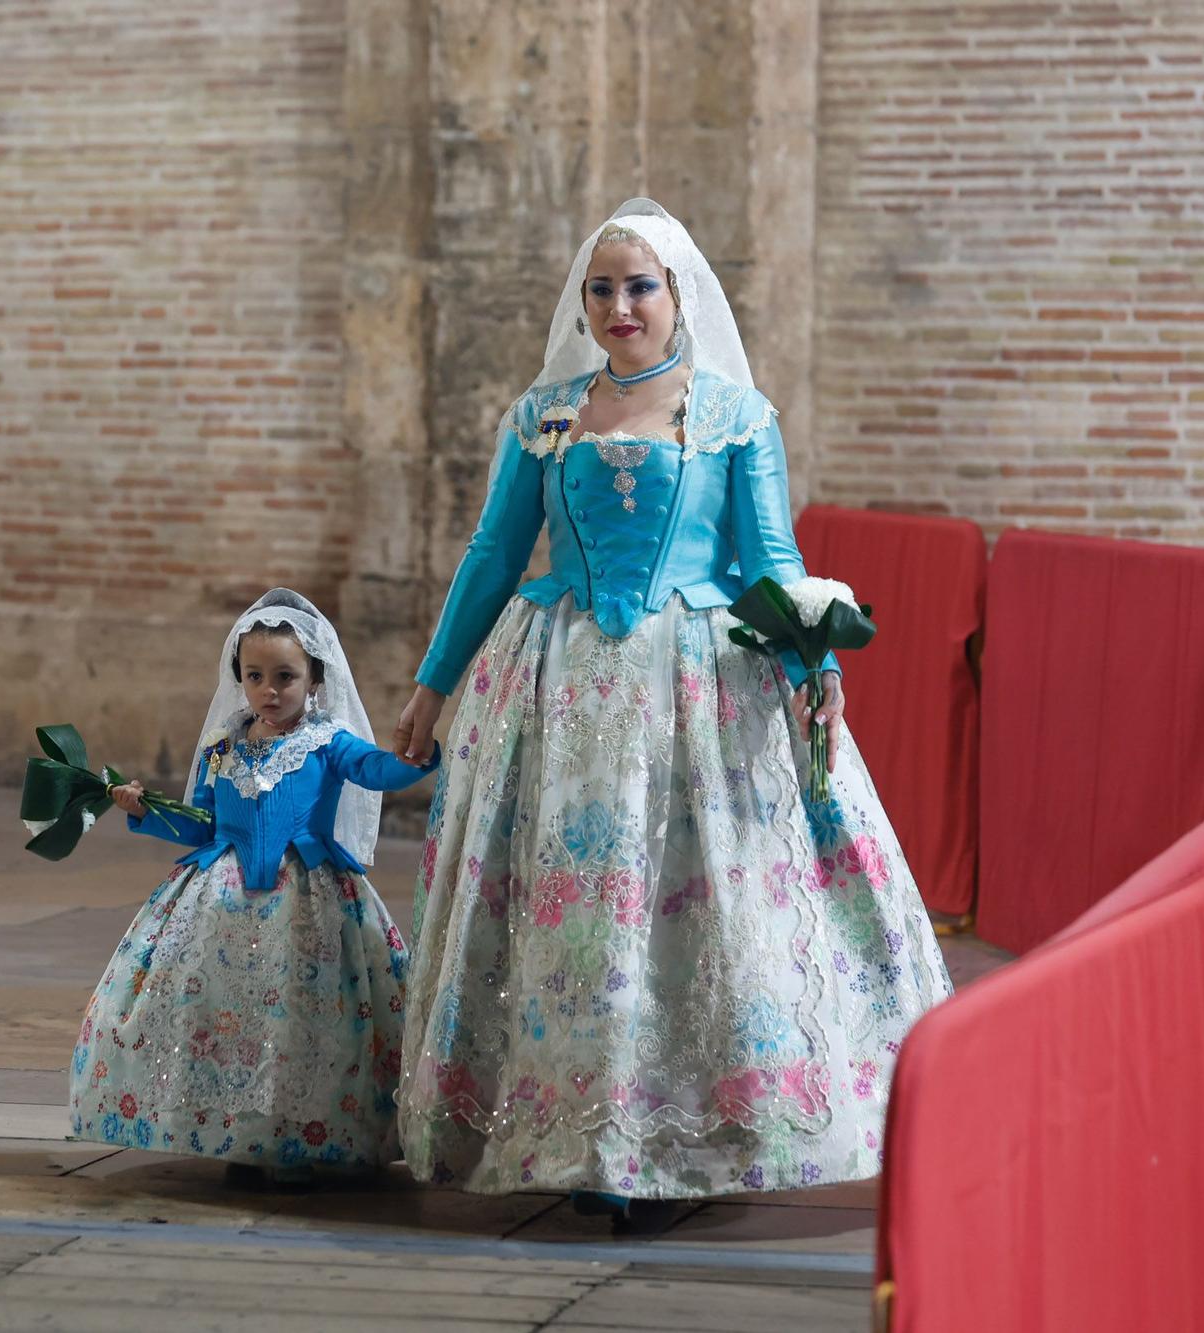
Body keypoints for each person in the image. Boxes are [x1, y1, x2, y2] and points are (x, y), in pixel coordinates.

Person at [390, 199, 953, 1230]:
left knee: (686, 909)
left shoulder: (735, 416)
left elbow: (764, 562)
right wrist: (433, 681)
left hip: (693, 691)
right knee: (571, 914)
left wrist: (807, 649)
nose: (618, 306)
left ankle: (681, 1139)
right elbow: (489, 556)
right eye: (600, 288)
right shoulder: (542, 415)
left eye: (638, 286)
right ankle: (573, 1132)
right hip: (556, 692)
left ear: (676, 296)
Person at [70, 589, 437, 1183]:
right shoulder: (222, 748)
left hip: (309, 902)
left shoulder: (328, 742)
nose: (269, 690)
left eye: (286, 676)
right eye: (255, 675)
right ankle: (236, 1134)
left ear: (315, 678)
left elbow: (376, 770)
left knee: (301, 1015)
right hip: (222, 901)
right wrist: (141, 809)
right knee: (226, 1016)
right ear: (238, 677)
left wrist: (415, 756)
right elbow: (204, 822)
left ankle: (304, 1134)